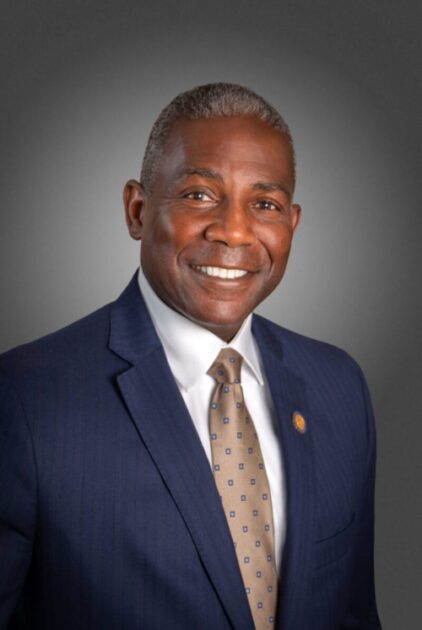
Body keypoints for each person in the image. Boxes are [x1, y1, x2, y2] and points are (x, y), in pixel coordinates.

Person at [0, 83, 382, 629]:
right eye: (200, 195)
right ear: (137, 210)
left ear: (291, 225)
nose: (233, 231)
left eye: (265, 204)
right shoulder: (24, 399)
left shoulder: (338, 387)